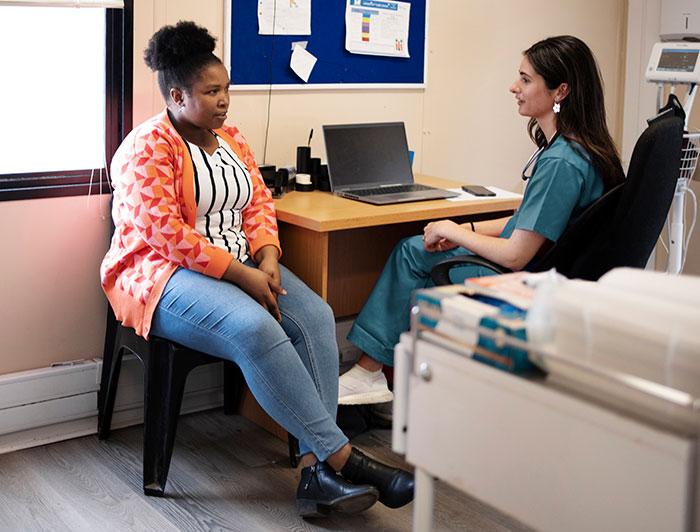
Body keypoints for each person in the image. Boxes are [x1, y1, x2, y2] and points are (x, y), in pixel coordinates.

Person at [100, 21, 413, 518]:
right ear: (177, 95)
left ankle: (315, 471)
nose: (225, 101)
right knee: (253, 327)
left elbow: (258, 202)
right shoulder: (146, 147)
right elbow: (167, 235)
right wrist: (242, 275)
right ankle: (342, 456)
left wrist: (266, 256)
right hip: (163, 277)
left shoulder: (231, 139)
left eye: (226, 89)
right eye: (212, 91)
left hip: (244, 263)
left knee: (315, 318)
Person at [340, 35, 625, 406]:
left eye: (525, 79)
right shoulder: (578, 148)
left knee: (412, 254)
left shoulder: (561, 163)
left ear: (561, 90)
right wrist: (463, 231)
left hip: (526, 281)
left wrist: (455, 231)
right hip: (549, 270)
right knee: (421, 247)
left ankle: (371, 373)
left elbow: (516, 255)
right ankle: (378, 376)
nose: (514, 87)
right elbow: (528, 221)